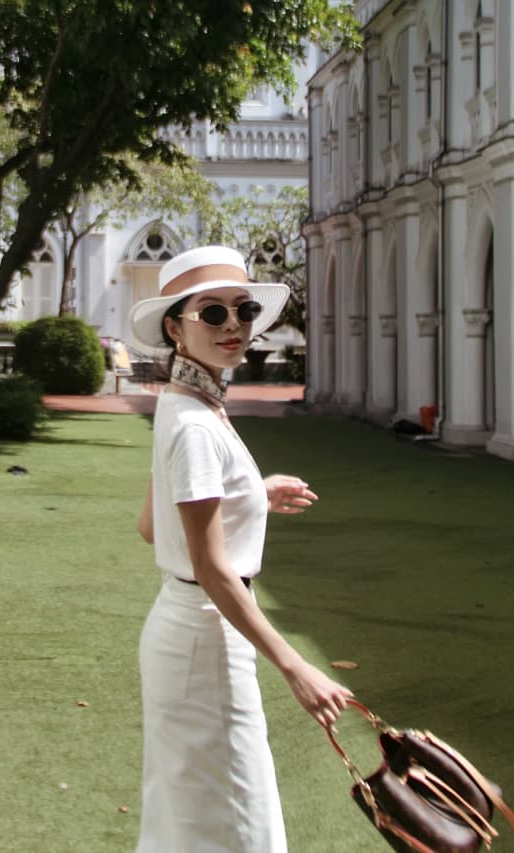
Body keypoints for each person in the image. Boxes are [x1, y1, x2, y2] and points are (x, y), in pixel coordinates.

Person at [130, 246, 353, 852]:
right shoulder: (197, 423)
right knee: (240, 825)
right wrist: (295, 665)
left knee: (194, 819)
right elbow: (211, 568)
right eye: (212, 313)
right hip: (206, 638)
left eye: (243, 309)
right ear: (175, 327)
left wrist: (249, 494)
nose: (232, 325)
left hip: (186, 634)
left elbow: (154, 524)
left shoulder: (186, 404)